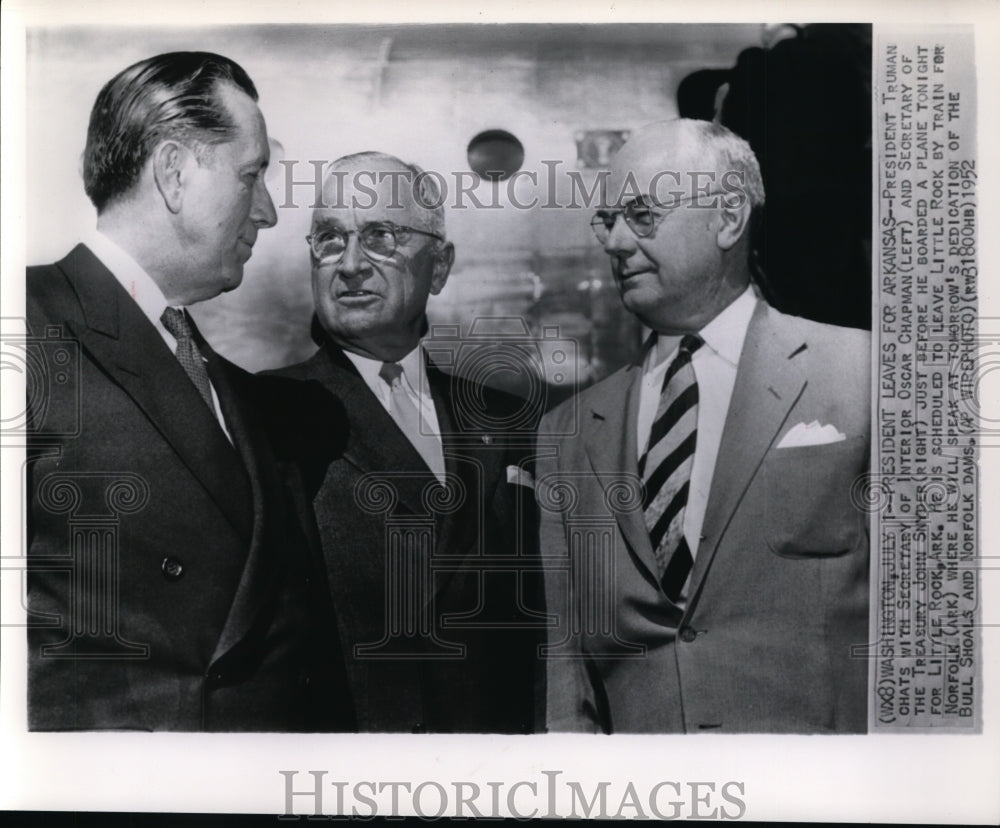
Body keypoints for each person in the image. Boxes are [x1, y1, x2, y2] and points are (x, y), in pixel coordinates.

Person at [25, 51, 351, 731]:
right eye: (252, 176)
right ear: (174, 173)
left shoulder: (228, 387)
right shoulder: (22, 324)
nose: (266, 211)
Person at [538, 119, 870, 733]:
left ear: (728, 217)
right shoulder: (568, 432)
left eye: (641, 214)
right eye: (605, 220)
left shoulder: (867, 373)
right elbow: (568, 680)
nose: (613, 241)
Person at [269, 152, 542, 732]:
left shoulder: (511, 420)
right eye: (328, 239)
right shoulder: (264, 417)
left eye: (379, 237)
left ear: (439, 266)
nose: (349, 265)